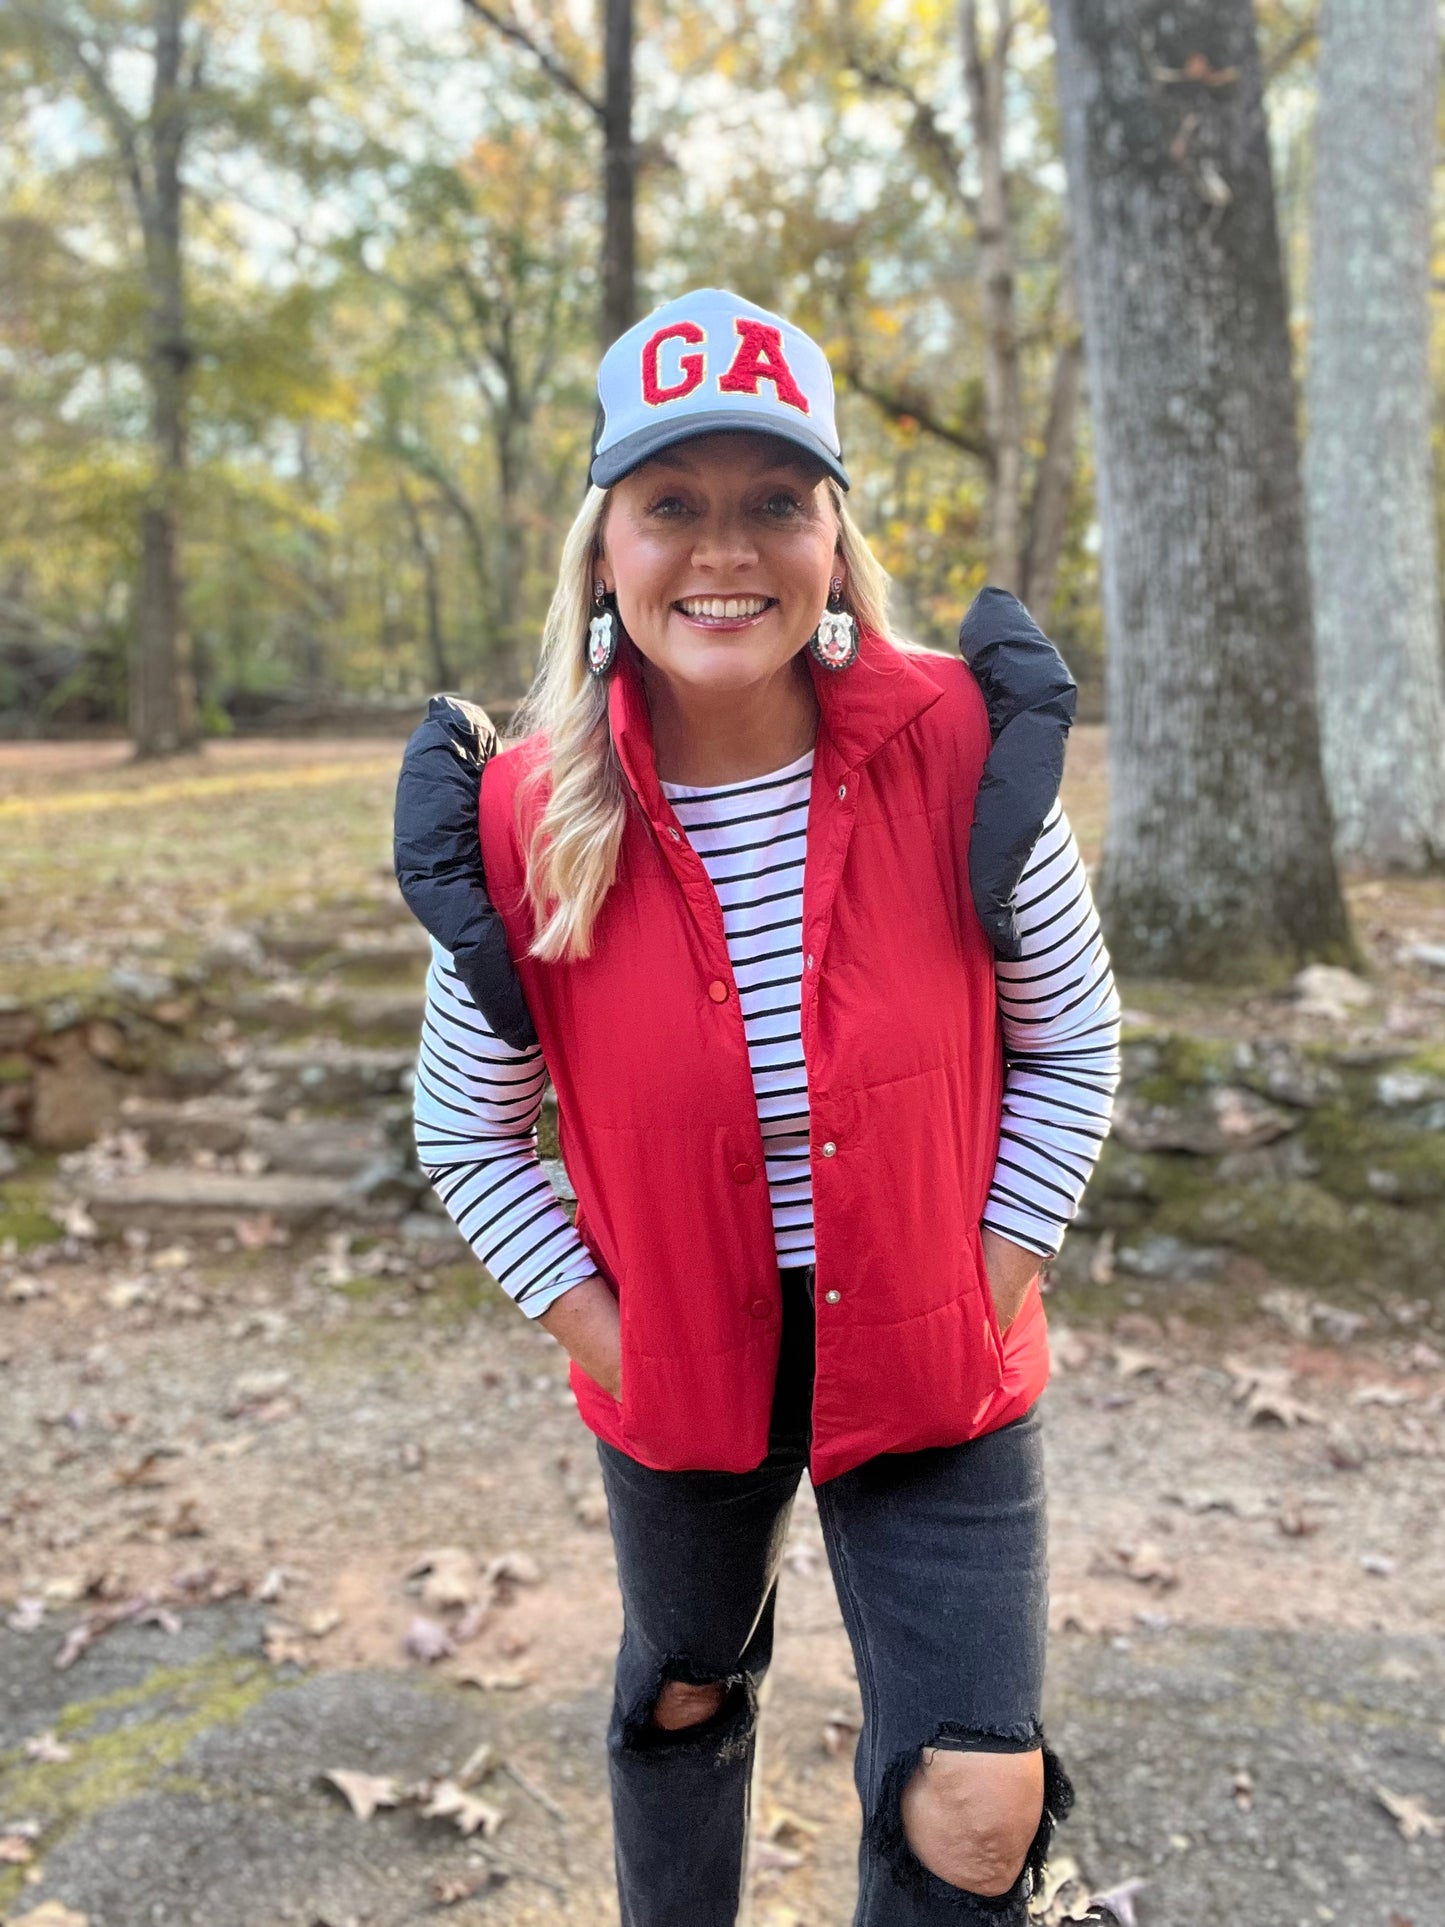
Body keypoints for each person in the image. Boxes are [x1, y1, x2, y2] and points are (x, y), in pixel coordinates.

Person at [394, 288, 1121, 1927]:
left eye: (770, 503)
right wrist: (612, 1336)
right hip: (681, 1346)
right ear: (604, 550)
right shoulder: (519, 821)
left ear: (829, 532)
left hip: (942, 1338)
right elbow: (466, 1130)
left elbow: (1071, 1044)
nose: (723, 549)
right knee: (685, 1699)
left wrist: (992, 1271)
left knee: (980, 1803)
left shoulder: (962, 749)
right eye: (673, 506)